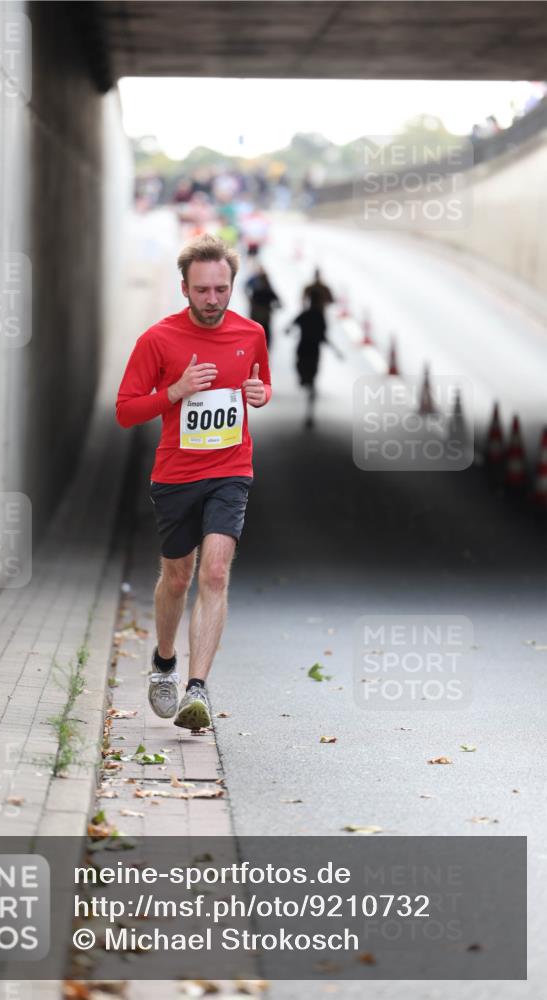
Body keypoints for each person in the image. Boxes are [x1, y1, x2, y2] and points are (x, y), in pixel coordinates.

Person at [116, 234, 272, 731]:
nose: (212, 300)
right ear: (184, 288)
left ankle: (197, 689)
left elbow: (262, 382)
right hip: (176, 476)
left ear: (232, 287)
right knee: (178, 577)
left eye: (221, 289)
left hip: (231, 471)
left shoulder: (251, 334)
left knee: (216, 573)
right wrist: (175, 391)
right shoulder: (158, 340)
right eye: (202, 290)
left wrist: (260, 392)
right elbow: (125, 411)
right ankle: (164, 662)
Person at [286, 304, 342, 428]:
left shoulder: (306, 314)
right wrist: (336, 351)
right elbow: (323, 336)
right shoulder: (318, 317)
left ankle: (309, 410)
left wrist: (289, 330)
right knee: (310, 380)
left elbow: (290, 326)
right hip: (313, 351)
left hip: (304, 348)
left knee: (304, 373)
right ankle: (309, 409)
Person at [245, 267, 281, 348]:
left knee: (254, 333)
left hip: (255, 316)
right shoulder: (269, 291)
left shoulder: (256, 292)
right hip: (265, 317)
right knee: (265, 335)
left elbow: (246, 286)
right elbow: (279, 302)